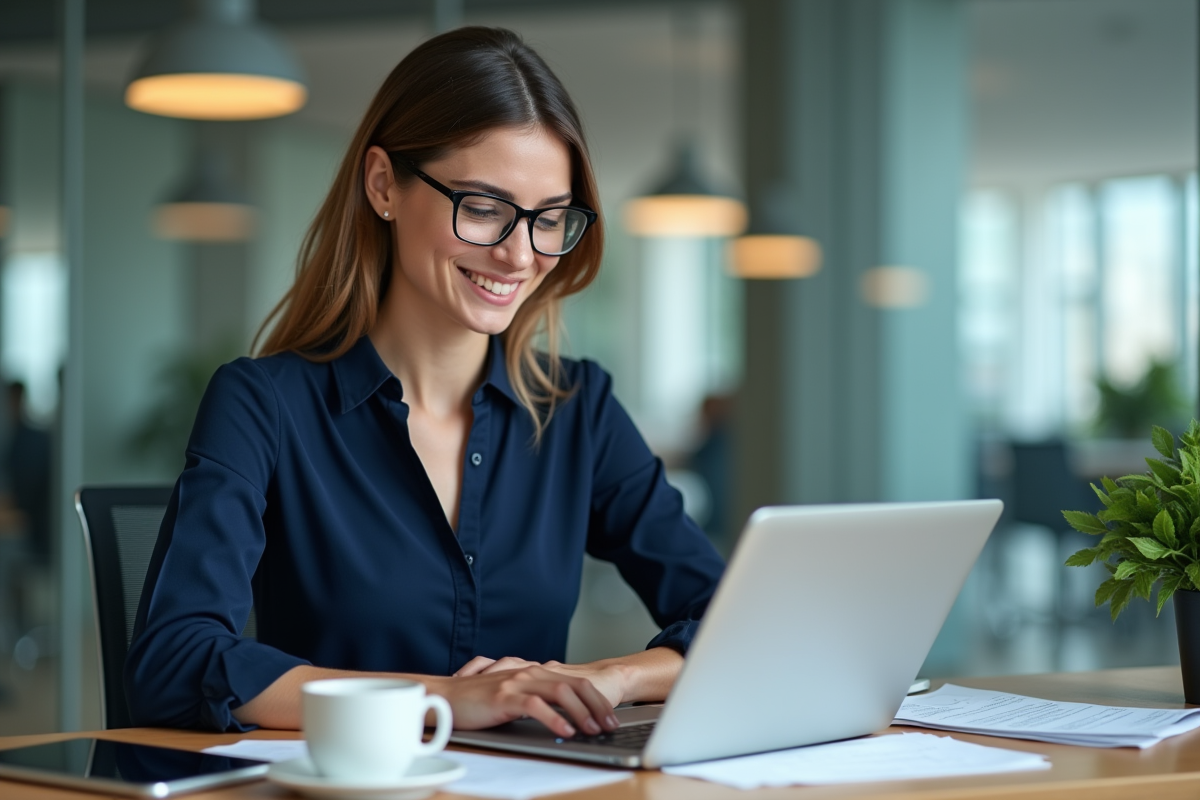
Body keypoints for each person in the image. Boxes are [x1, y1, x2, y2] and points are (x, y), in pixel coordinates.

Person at [126, 27, 725, 737]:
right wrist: (442, 700)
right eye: (482, 207)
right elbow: (175, 661)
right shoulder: (265, 405)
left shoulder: (577, 408)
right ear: (384, 185)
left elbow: (731, 619)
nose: (518, 254)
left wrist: (608, 678)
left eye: (549, 219)